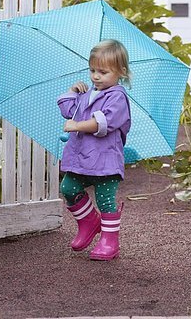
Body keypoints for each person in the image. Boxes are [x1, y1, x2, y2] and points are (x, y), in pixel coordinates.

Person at [57, 39, 131, 261]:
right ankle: (89, 222)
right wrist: (72, 92)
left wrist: (77, 125)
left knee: (105, 198)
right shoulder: (87, 94)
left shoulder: (117, 97)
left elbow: (103, 123)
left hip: (105, 161)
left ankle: (110, 240)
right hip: (81, 157)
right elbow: (68, 110)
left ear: (121, 72)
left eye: (103, 72)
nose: (96, 76)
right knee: (68, 187)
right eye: (92, 70)